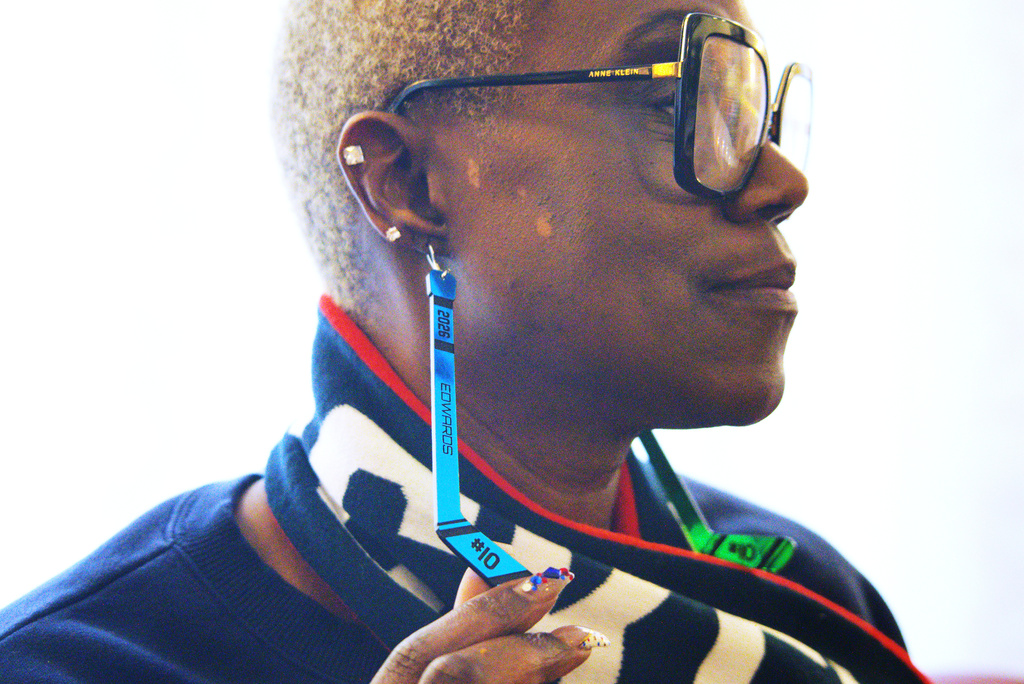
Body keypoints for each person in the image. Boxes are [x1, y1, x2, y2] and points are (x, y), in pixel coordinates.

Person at [0, 0, 931, 682]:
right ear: (408, 184)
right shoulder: (82, 664)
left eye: (753, 107)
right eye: (680, 97)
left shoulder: (808, 594)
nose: (780, 177)